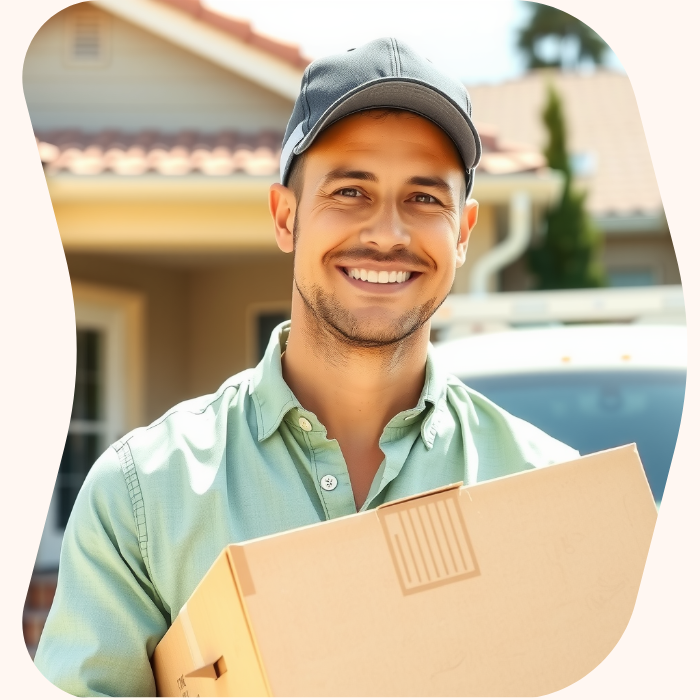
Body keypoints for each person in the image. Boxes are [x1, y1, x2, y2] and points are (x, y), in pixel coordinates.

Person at [34, 38, 578, 696]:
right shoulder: (143, 496)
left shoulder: (548, 493)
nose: (388, 234)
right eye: (350, 191)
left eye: (424, 199)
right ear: (285, 216)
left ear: (463, 233)